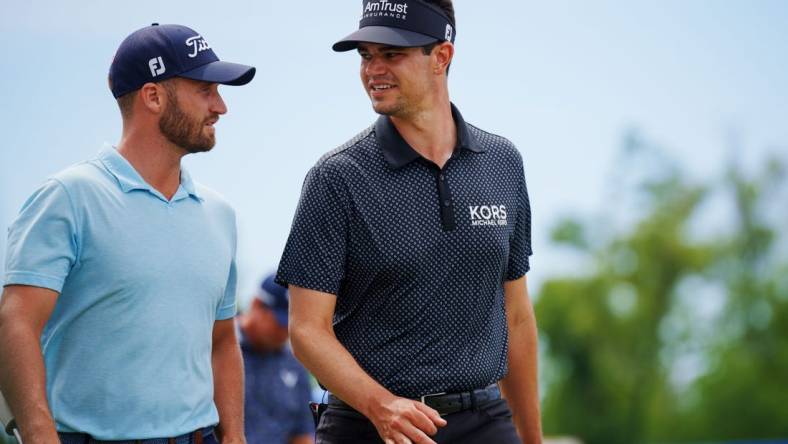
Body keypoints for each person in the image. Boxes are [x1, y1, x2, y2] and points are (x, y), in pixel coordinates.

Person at [275, 1, 543, 443]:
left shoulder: (502, 163)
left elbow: (516, 317)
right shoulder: (336, 177)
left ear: (441, 57)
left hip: (484, 422)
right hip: (368, 425)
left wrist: (532, 438)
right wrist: (381, 405)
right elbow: (307, 330)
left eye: (391, 54)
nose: (373, 70)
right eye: (365, 56)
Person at [0, 23, 255, 443]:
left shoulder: (218, 213)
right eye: (206, 90)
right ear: (153, 96)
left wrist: (235, 436)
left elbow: (223, 341)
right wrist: (40, 434)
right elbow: (16, 323)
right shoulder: (69, 197)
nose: (221, 106)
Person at [238, 275, 314, 444]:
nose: (284, 332)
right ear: (257, 305)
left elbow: (301, 433)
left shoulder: (294, 365)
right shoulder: (219, 350)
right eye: (280, 323)